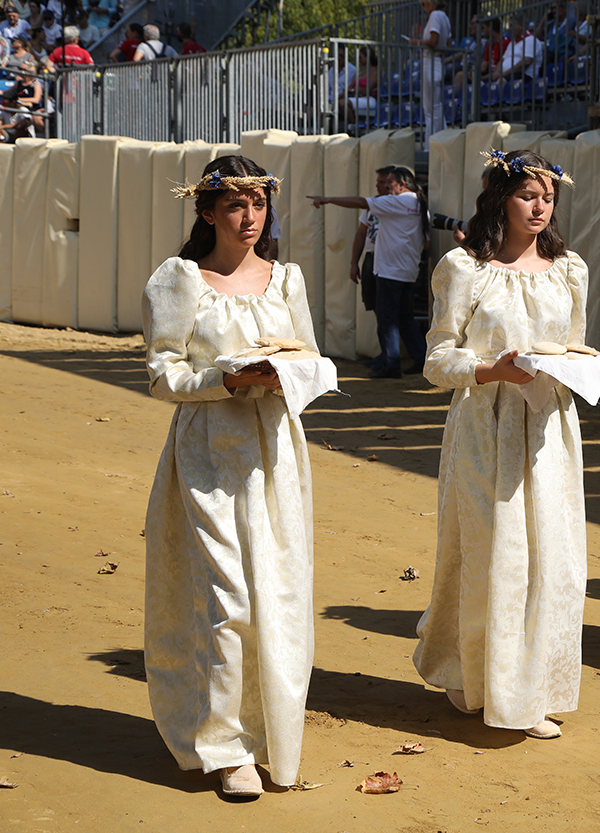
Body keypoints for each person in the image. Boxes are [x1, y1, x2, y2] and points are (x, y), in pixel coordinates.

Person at [142, 155, 319, 799]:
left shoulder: (286, 278)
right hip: (209, 454)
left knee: (278, 593)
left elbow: (310, 355)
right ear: (209, 212)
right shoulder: (181, 280)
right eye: (236, 205)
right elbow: (163, 375)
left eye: (259, 204)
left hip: (275, 451)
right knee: (226, 598)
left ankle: (267, 734)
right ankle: (222, 747)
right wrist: (225, 378)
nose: (250, 218)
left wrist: (286, 374)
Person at [413, 149, 587, 740]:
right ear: (500, 198)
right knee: (493, 554)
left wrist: (571, 367)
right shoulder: (465, 268)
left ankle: (526, 687)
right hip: (486, 425)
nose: (540, 208)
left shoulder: (569, 270)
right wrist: (491, 370)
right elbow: (437, 360)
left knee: (551, 558)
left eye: (549, 197)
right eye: (527, 195)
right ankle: (473, 672)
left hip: (549, 431)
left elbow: (573, 346)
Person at [309, 165, 427, 378]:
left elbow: (361, 202)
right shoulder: (418, 203)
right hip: (408, 268)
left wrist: (327, 199)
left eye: (390, 182)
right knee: (403, 317)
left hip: (390, 268)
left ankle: (391, 365)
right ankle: (420, 357)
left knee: (387, 319)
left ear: (401, 184)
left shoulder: (398, 201)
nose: (386, 186)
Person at [348, 166, 393, 364]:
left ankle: (392, 357)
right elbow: (361, 233)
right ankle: (386, 354)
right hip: (370, 256)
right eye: (378, 181)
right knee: (376, 307)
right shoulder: (372, 205)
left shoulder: (400, 204)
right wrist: (353, 263)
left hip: (389, 260)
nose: (378, 185)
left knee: (389, 312)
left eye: (383, 182)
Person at [407, 0, 451, 137]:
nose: (423, 6)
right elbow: (448, 45)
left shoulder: (435, 16)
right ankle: (442, 138)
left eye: (424, 3)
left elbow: (433, 41)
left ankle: (431, 144)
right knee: (435, 106)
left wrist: (417, 42)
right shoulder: (444, 17)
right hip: (437, 62)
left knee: (431, 108)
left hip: (431, 62)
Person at [497, 14, 543, 80]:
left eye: (512, 26)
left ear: (522, 25)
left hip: (523, 76)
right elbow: (502, 59)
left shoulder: (531, 40)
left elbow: (526, 62)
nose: (509, 29)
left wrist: (503, 74)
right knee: (481, 82)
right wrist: (496, 73)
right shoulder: (513, 42)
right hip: (507, 75)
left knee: (500, 82)